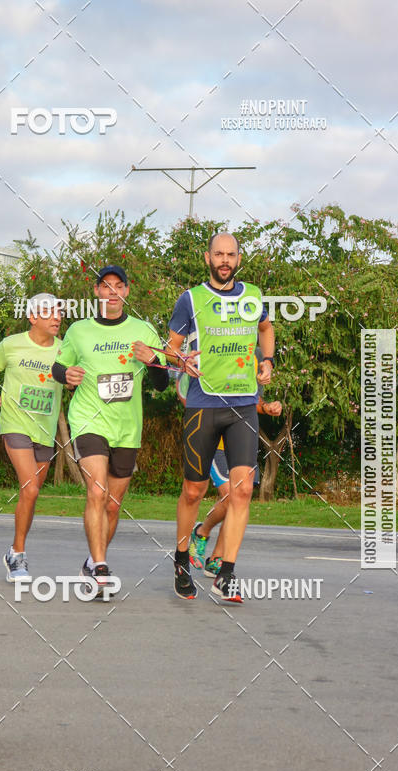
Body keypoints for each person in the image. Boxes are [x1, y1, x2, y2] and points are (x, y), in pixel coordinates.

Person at [163, 233, 275, 602]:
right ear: (207, 258)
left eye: (230, 254)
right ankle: (182, 559)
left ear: (239, 258)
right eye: (218, 254)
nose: (224, 260)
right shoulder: (191, 299)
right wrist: (182, 361)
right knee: (193, 491)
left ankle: (225, 573)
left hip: (243, 404)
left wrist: (267, 360)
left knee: (242, 490)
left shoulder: (253, 295)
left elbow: (265, 328)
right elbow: (170, 350)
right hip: (203, 404)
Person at [52, 265, 168, 596]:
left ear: (126, 291)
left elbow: (161, 384)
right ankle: (101, 568)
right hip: (89, 420)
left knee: (113, 505)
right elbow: (59, 366)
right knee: (97, 490)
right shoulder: (79, 330)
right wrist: (66, 375)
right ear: (97, 292)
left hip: (127, 427)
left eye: (119, 286)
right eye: (106, 286)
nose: (112, 291)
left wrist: (152, 360)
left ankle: (92, 561)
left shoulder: (144, 330)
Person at [0, 294, 63, 581]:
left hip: (45, 430)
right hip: (14, 424)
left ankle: (14, 550)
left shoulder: (65, 350)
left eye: (59, 312)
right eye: (49, 312)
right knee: (30, 488)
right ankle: (19, 556)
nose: (57, 317)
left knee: (32, 493)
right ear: (32, 317)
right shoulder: (11, 344)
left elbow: (74, 379)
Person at [189, 399, 283, 575]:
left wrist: (267, 407)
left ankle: (216, 559)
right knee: (229, 497)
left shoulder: (255, 379)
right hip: (216, 443)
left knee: (238, 501)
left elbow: (252, 400)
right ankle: (201, 532)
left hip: (242, 444)